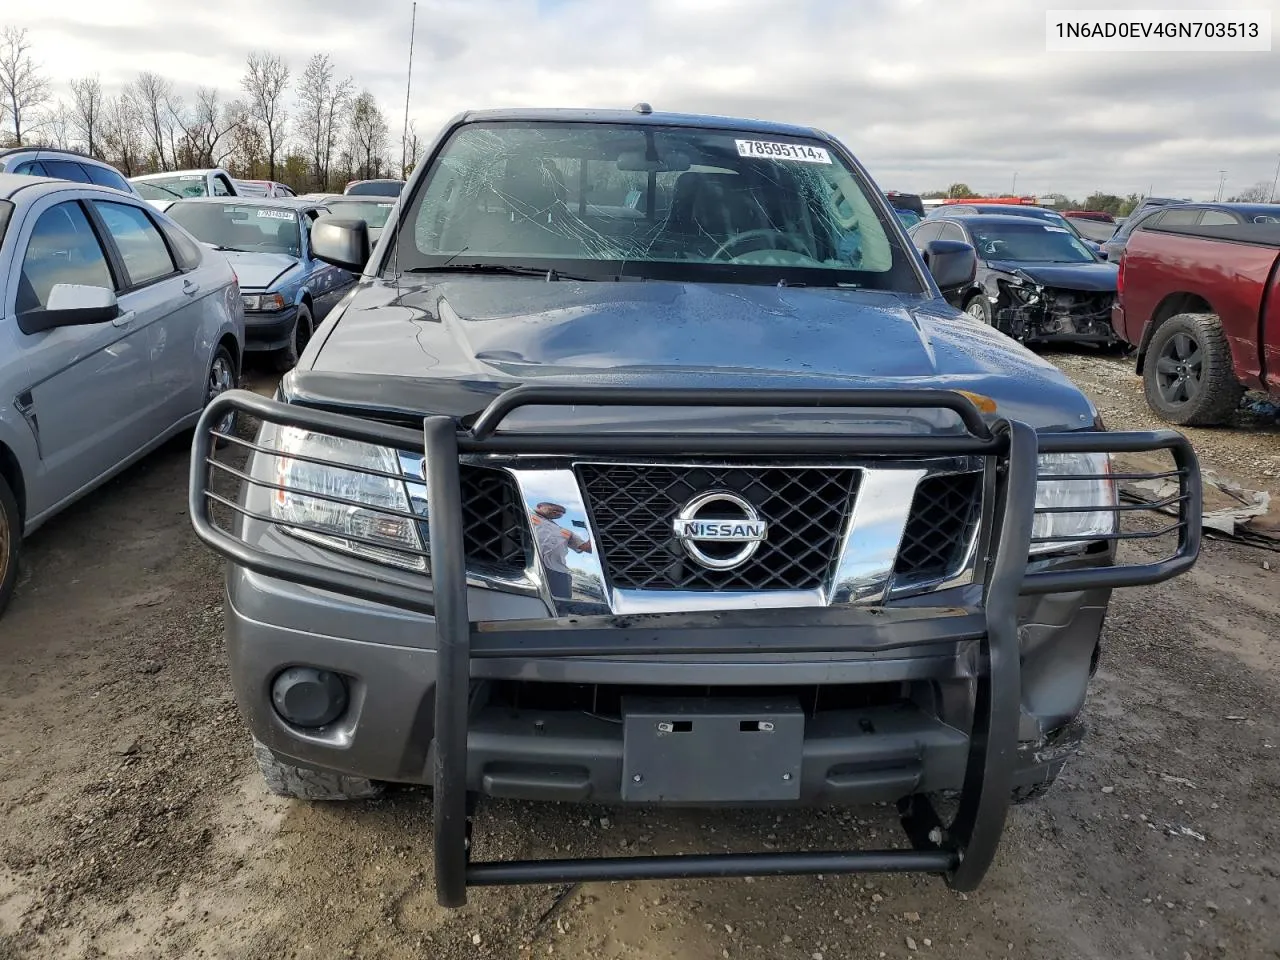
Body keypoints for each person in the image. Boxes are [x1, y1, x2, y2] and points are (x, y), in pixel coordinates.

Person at [529, 502, 592, 600]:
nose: (559, 512)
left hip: (559, 573)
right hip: (530, 567)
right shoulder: (527, 515)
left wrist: (591, 530)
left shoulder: (565, 531)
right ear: (539, 506)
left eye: (562, 512)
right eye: (555, 508)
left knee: (561, 607)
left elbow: (588, 548)